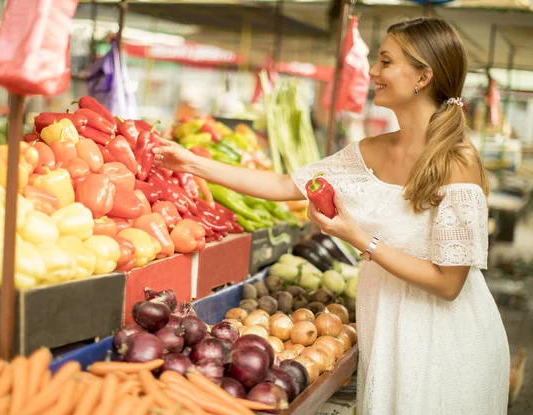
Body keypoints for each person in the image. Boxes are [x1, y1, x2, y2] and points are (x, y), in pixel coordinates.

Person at [153, 17, 509, 414]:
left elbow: (448, 284)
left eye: (386, 62)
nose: (373, 71)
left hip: (445, 344)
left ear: (422, 76)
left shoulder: (457, 161)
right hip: (389, 335)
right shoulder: (367, 152)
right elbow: (284, 185)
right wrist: (190, 163)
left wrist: (360, 238)